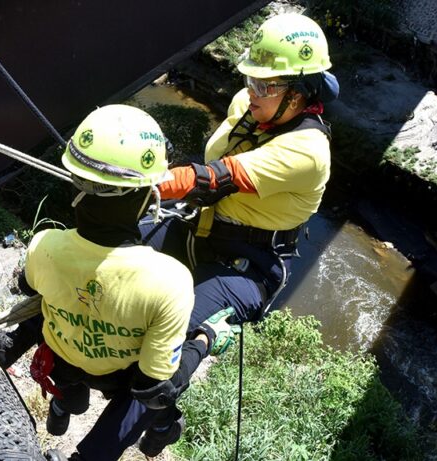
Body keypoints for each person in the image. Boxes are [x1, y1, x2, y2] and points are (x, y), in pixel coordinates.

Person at [137, 12, 339, 456]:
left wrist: (148, 183)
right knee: (115, 251)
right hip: (201, 230)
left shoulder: (307, 151)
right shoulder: (250, 107)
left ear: (301, 93)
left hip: (247, 261)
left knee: (166, 341)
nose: (252, 91)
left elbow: (217, 178)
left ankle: (155, 418)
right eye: (250, 78)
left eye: (266, 85)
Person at [0, 104, 227, 461]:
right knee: (167, 381)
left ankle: (62, 408)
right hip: (118, 376)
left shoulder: (45, 246)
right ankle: (153, 429)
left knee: (71, 392)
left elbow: (29, 287)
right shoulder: (170, 281)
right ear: (148, 193)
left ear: (75, 183)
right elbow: (152, 383)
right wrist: (204, 341)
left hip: (64, 359)